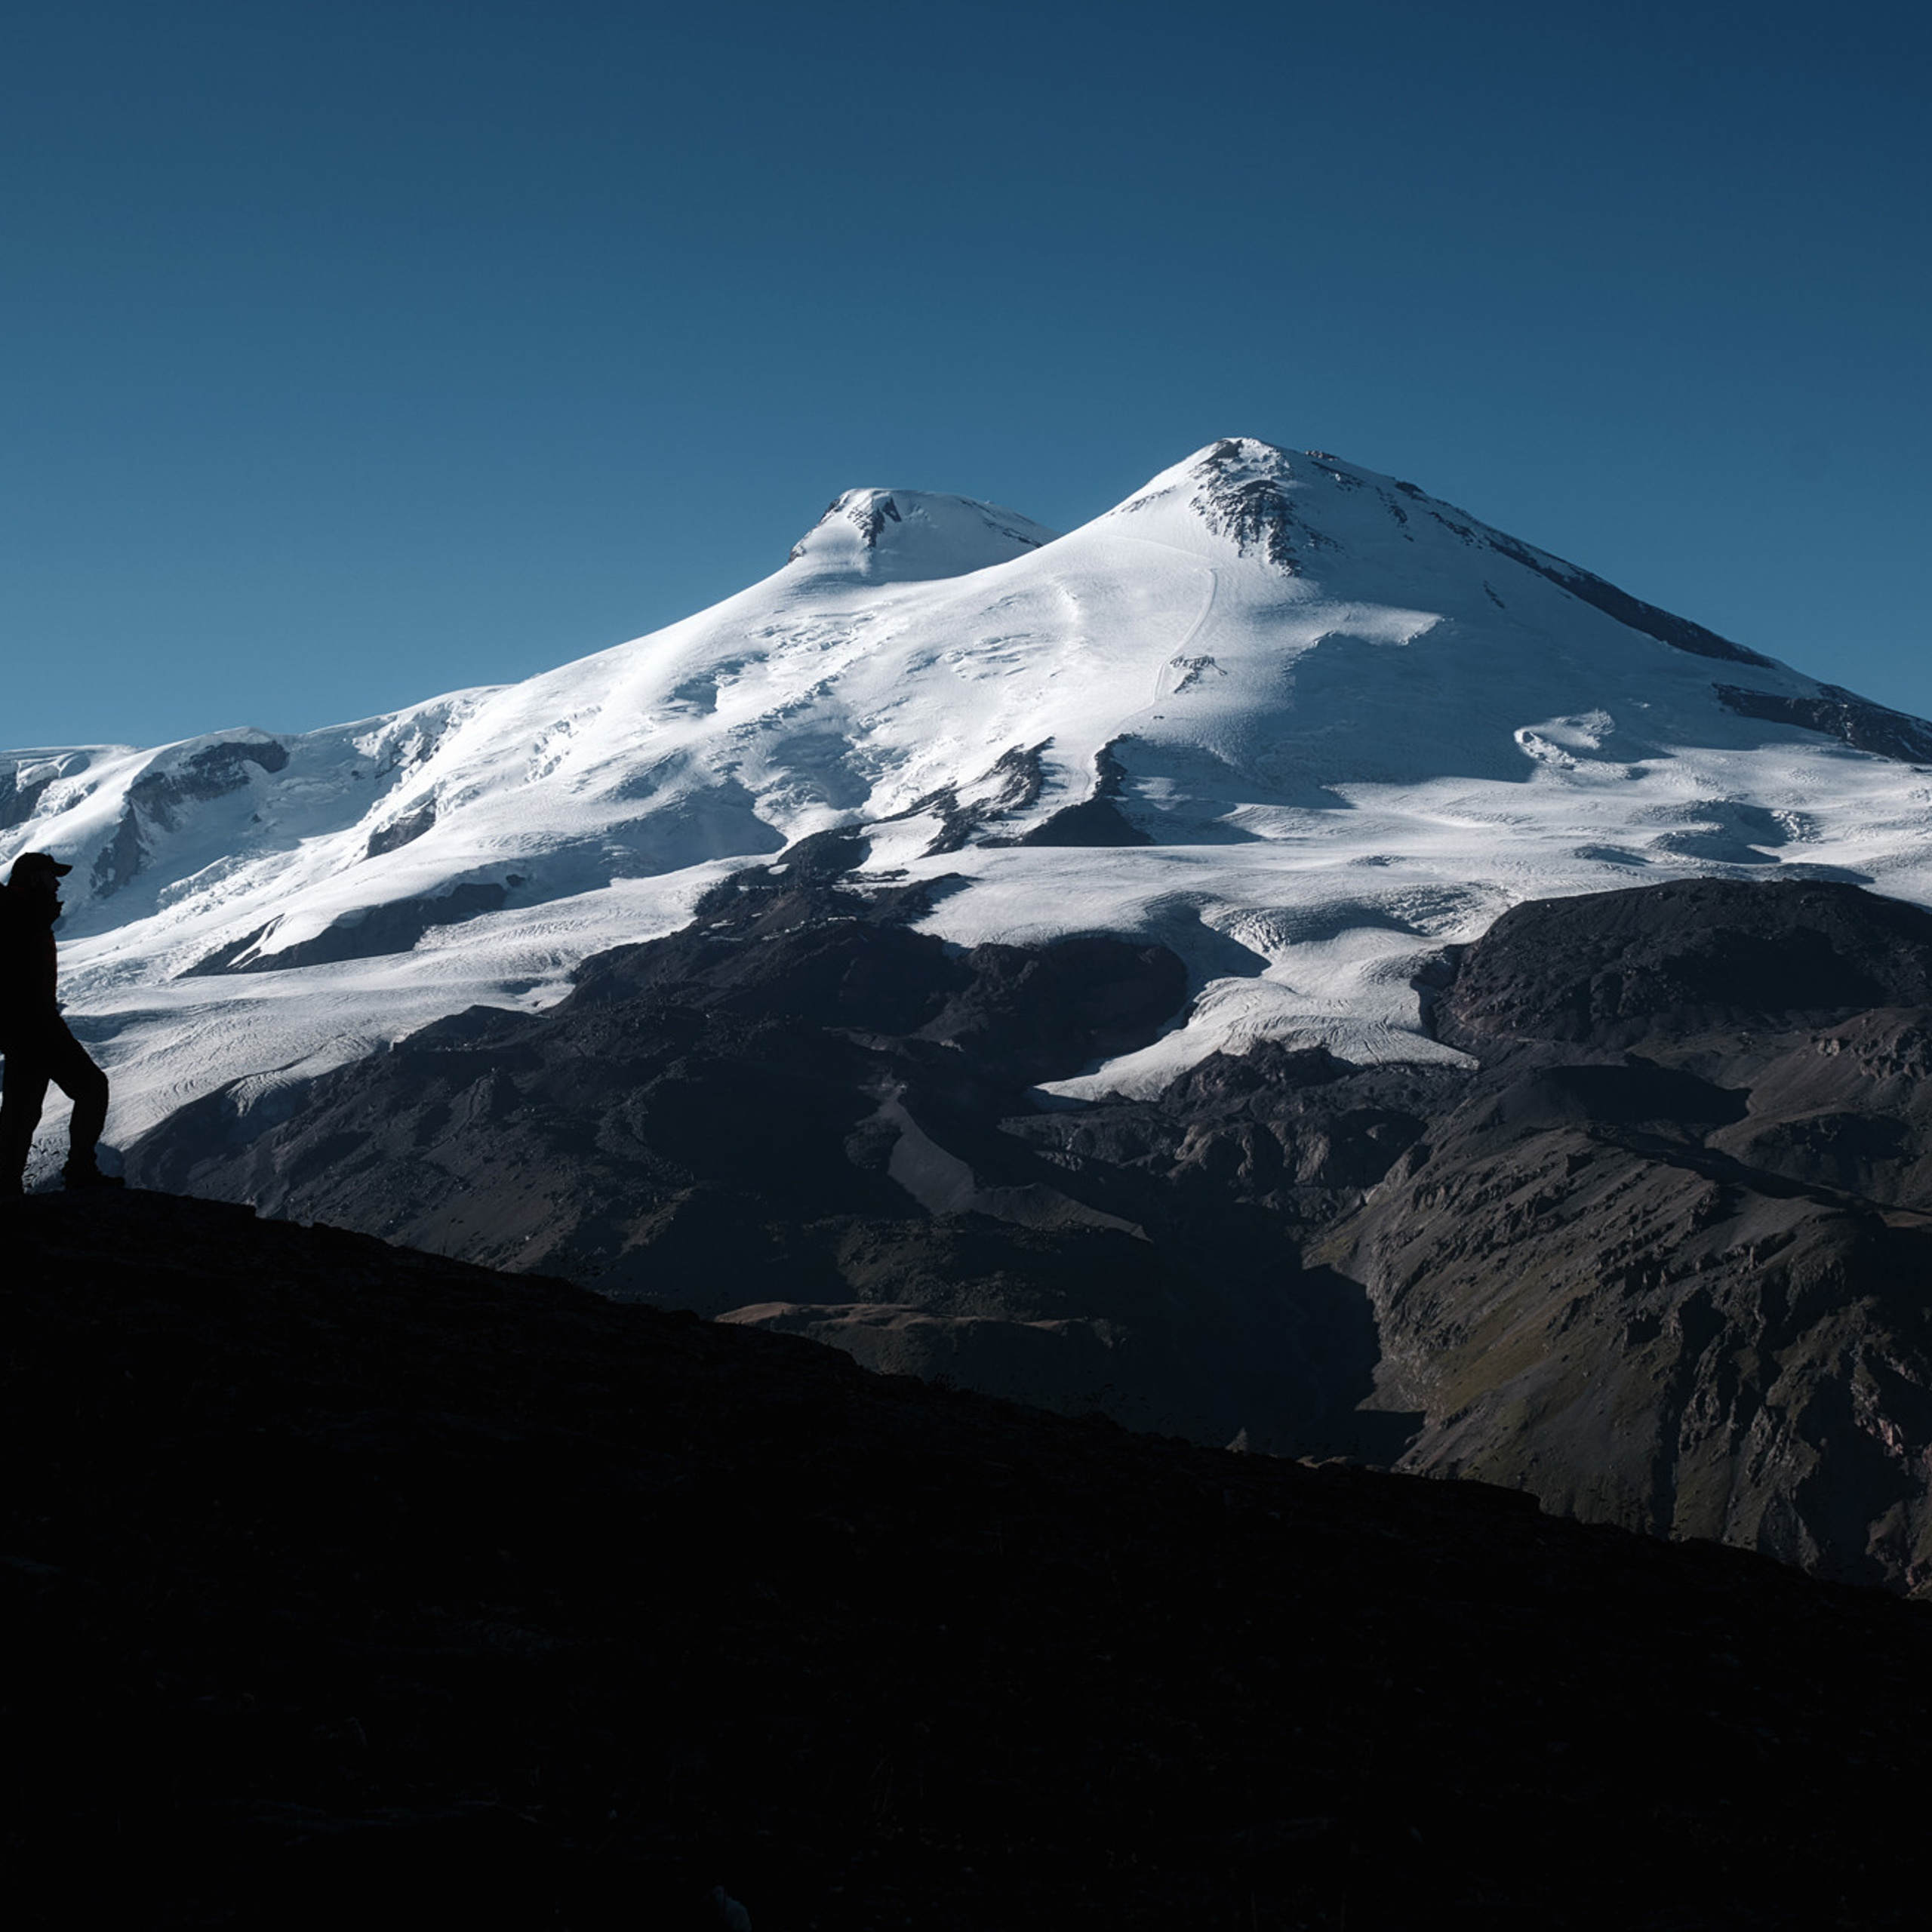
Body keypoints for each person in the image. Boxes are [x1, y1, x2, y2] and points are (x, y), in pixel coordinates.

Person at [0, 851, 122, 1193]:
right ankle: (80, 1170)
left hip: (19, 1026)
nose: (57, 884)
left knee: (21, 1109)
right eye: (51, 877)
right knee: (92, 1088)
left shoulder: (19, 911)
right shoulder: (22, 913)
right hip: (34, 1022)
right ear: (36, 879)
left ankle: (7, 1186)